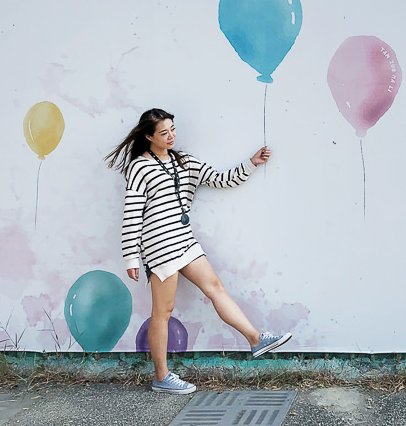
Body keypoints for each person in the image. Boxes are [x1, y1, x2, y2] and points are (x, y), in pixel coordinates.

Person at [105, 108, 291, 394]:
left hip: (184, 239)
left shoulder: (186, 162)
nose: (171, 136)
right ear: (148, 136)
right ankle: (161, 376)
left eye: (172, 129)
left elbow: (221, 179)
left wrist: (251, 163)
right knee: (163, 312)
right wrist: (131, 255)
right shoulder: (139, 167)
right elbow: (132, 214)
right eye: (163, 133)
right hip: (159, 244)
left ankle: (256, 339)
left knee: (215, 287)